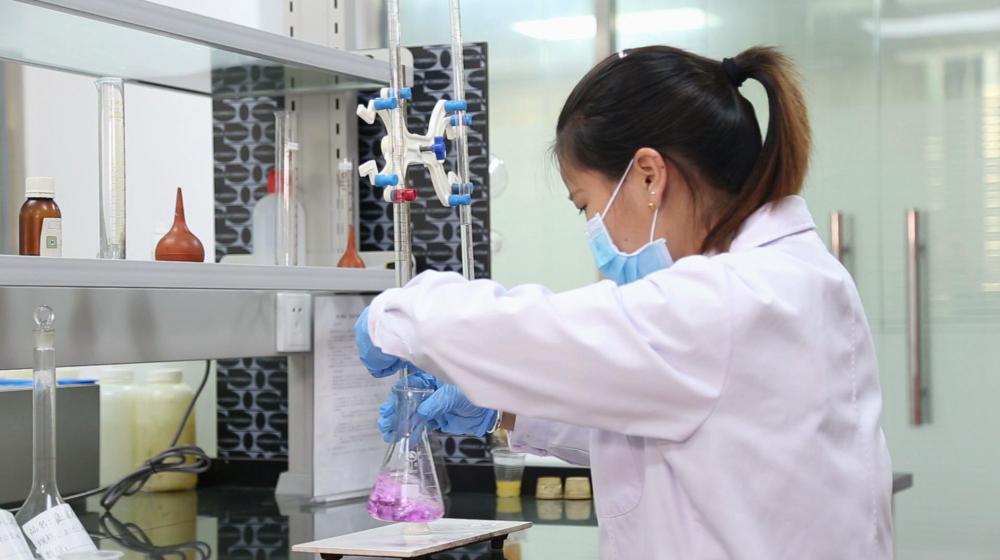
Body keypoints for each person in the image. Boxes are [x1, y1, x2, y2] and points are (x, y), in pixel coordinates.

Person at [355, 45, 893, 559]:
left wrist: (396, 315)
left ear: (649, 176)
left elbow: (543, 332)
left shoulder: (726, 301)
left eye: (586, 204)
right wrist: (504, 412)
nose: (594, 228)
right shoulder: (792, 279)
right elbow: (680, 432)